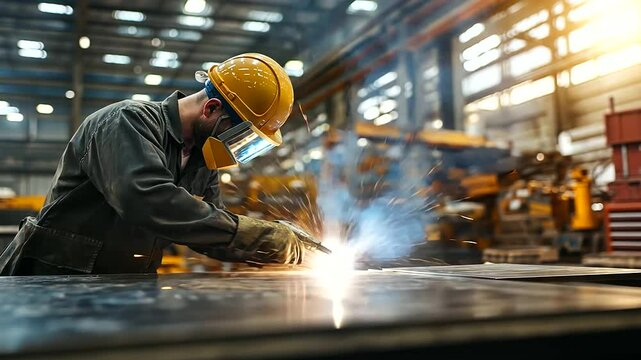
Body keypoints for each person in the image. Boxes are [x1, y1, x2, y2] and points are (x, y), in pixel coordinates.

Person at [0, 53, 308, 275]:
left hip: (123, 282)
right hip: (51, 279)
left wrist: (277, 247)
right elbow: (146, 199)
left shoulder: (203, 161)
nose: (235, 148)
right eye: (238, 136)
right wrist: (254, 233)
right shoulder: (127, 121)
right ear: (211, 108)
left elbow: (206, 230)